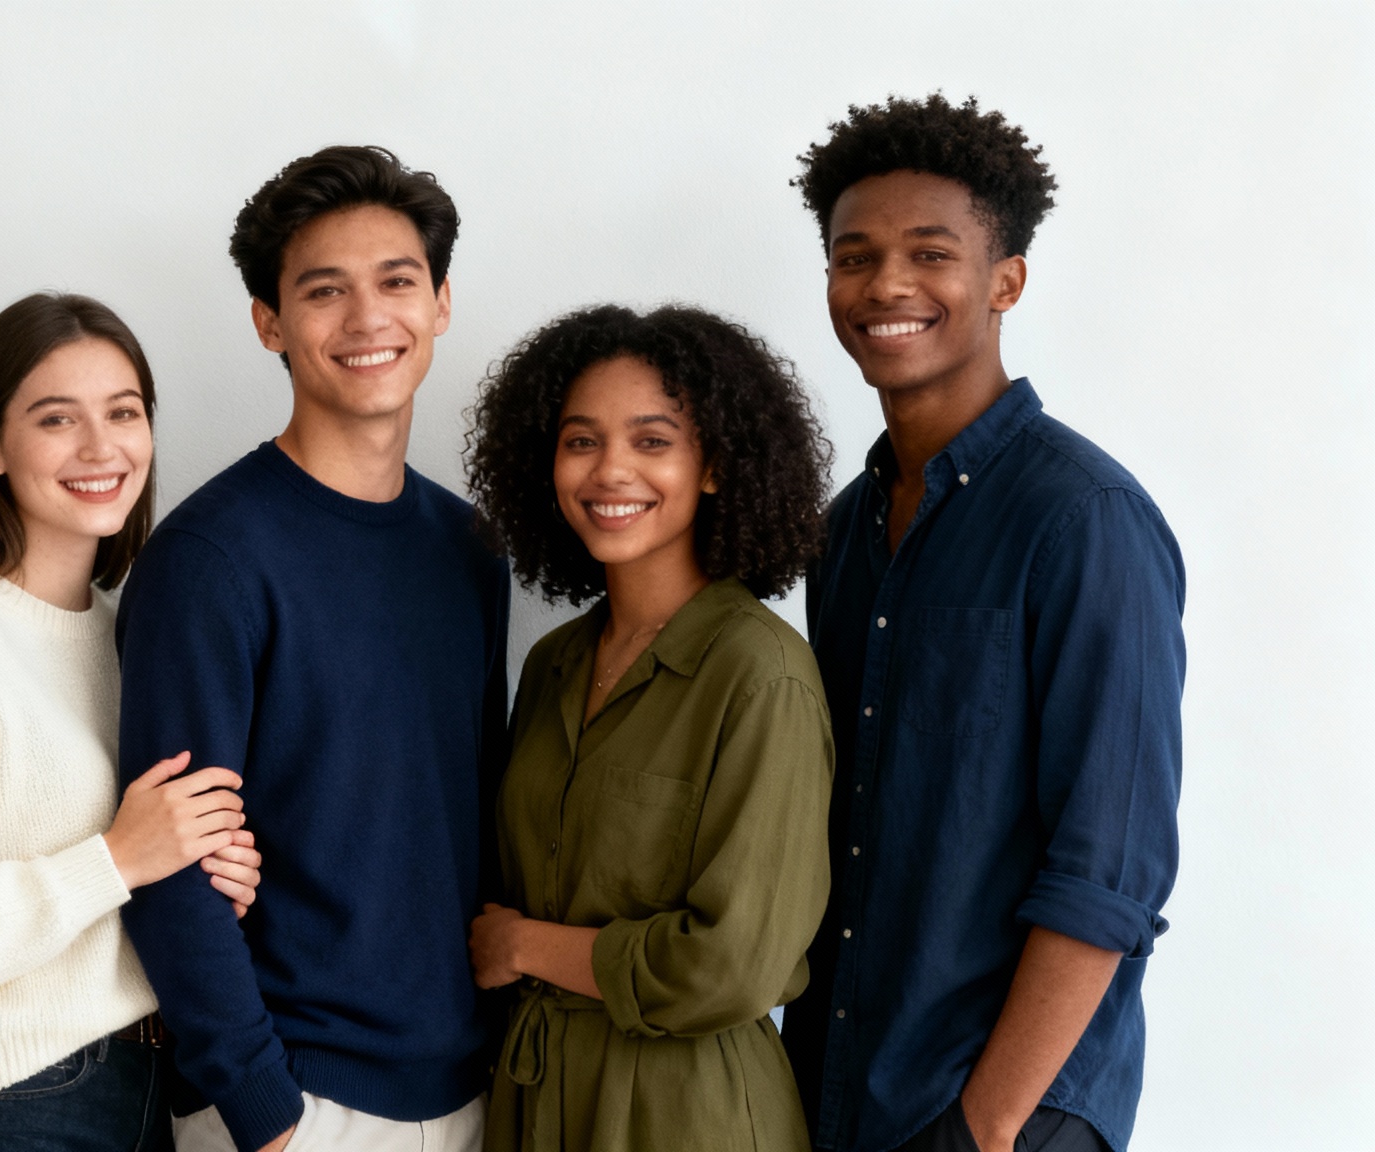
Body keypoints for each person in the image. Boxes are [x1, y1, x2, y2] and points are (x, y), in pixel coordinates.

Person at [778, 95, 1185, 1152]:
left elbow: (1109, 868)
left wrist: (986, 1123)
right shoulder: (842, 531)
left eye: (928, 253)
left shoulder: (1082, 521)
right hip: (838, 1094)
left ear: (1004, 279)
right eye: (851, 255)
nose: (884, 286)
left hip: (1004, 1115)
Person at [113, 145, 511, 1152]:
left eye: (396, 281)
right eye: (323, 290)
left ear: (441, 302)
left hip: (465, 1084)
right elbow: (170, 863)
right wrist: (259, 1107)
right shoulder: (210, 559)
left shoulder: (467, 548)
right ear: (269, 322)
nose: (367, 318)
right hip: (295, 1096)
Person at [0, 292, 265, 1152]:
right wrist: (118, 858)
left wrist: (204, 871)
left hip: (144, 1092)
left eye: (124, 413)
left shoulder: (124, 635)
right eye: (57, 419)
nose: (101, 448)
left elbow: (125, 875)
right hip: (14, 1105)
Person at [462, 303, 836, 1151]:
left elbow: (734, 964)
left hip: (686, 1110)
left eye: (653, 440)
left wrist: (523, 945)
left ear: (714, 466)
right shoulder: (553, 662)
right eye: (581, 440)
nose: (610, 471)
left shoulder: (760, 674)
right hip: (535, 1095)